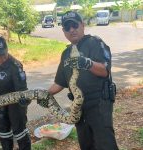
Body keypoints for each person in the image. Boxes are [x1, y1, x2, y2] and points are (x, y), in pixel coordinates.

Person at [38, 11, 119, 150]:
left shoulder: (95, 43)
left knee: (105, 144)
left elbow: (105, 71)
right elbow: (59, 83)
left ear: (82, 25)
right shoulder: (66, 54)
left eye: (74, 25)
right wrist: (42, 95)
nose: (72, 30)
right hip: (78, 108)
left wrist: (87, 63)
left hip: (99, 104)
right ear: (63, 31)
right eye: (67, 27)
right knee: (86, 144)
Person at [0, 35, 31, 150]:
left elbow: (23, 90)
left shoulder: (16, 66)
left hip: (16, 104)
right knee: (4, 133)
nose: (2, 58)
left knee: (20, 133)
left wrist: (24, 100)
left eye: (4, 53)